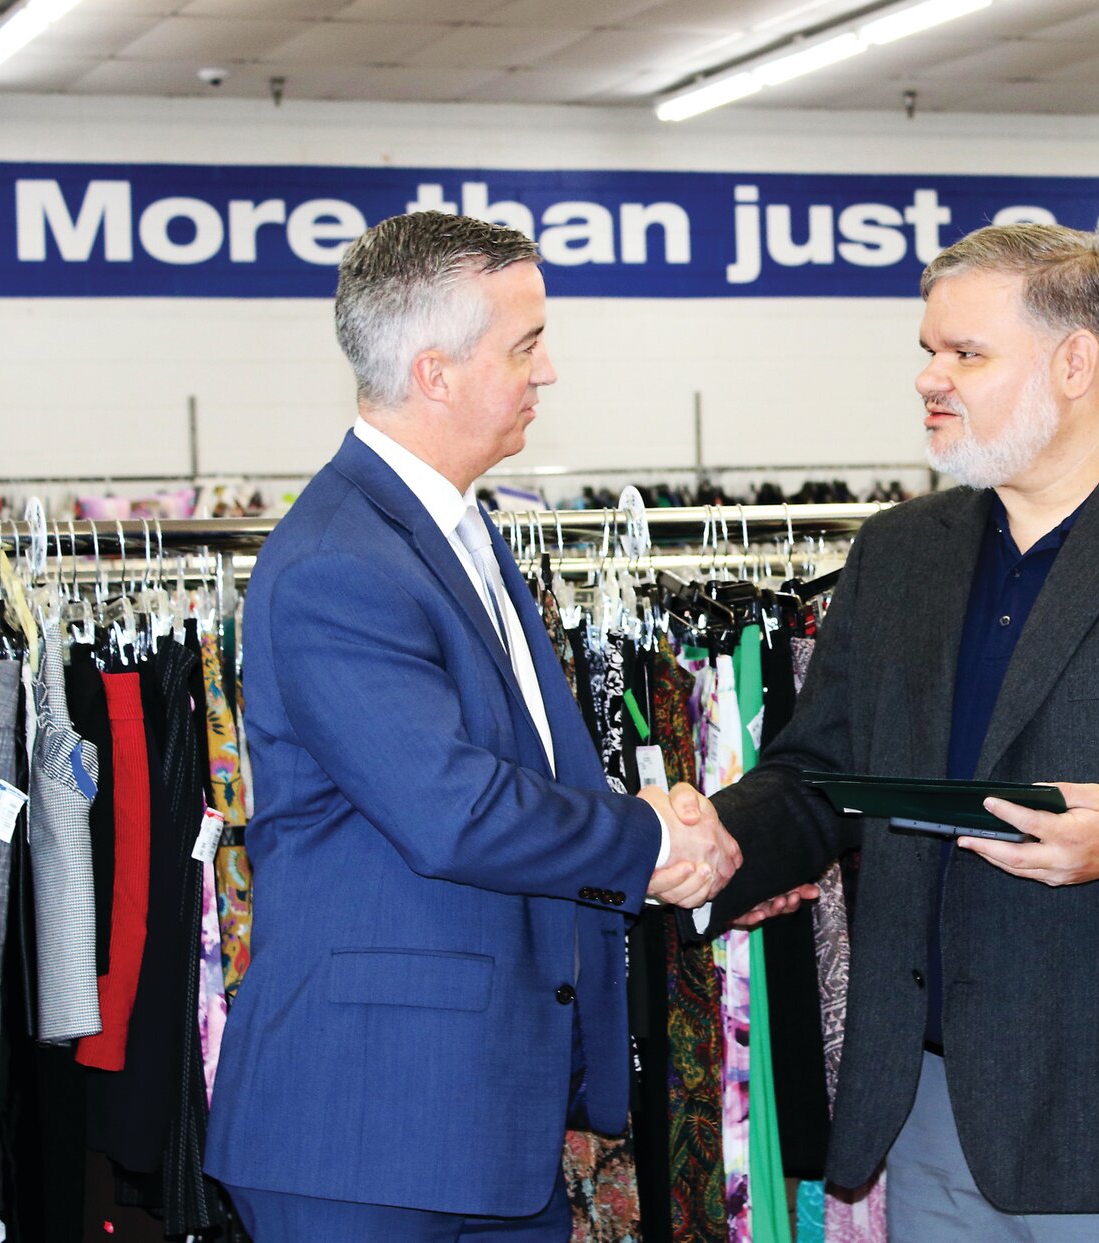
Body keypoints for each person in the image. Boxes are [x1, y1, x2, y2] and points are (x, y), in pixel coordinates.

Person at [688, 222, 1099, 1241]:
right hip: (929, 1119)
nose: (929, 377)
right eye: (927, 349)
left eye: (966, 353)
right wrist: (705, 842)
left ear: (1075, 361)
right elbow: (820, 772)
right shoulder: (902, 552)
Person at [204, 211, 739, 1241]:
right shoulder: (337, 562)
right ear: (437, 371)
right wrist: (652, 843)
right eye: (526, 342)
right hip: (371, 1129)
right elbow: (451, 807)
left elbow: (526, 764)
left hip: (482, 1126)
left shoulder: (454, 528)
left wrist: (642, 812)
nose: (549, 372)